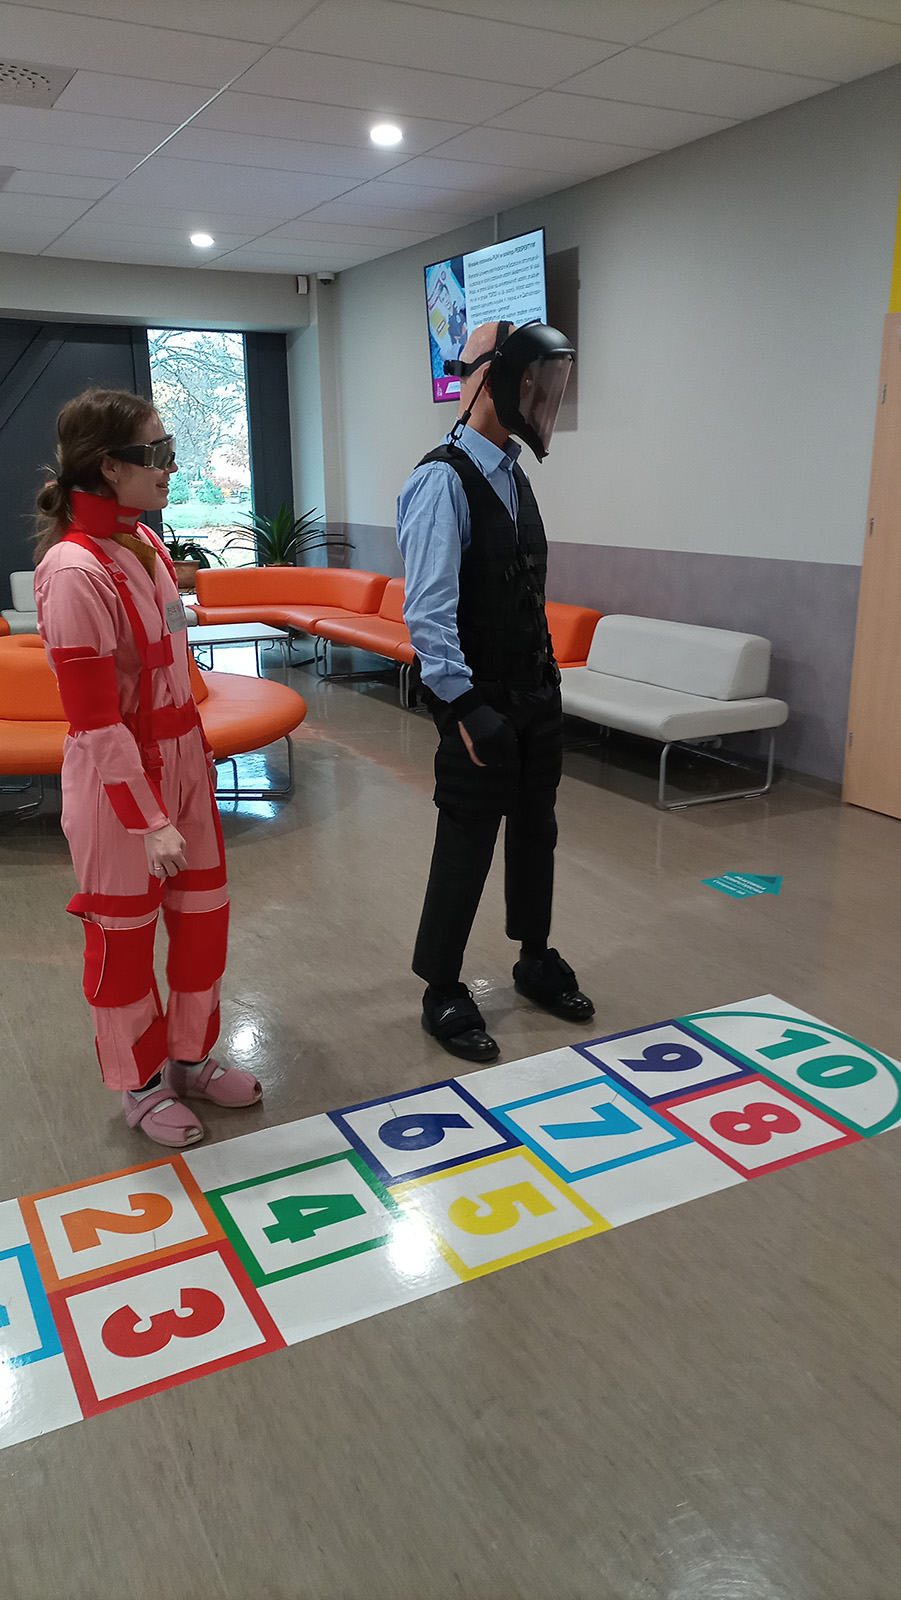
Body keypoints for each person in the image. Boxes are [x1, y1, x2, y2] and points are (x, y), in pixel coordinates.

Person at [34, 388, 261, 1147]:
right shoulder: (74, 571)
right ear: (109, 465)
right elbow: (95, 721)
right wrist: (150, 818)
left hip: (185, 765)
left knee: (203, 926)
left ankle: (190, 1060)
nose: (169, 467)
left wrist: (191, 776)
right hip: (119, 791)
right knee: (124, 941)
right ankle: (140, 1085)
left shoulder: (149, 546)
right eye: (155, 453)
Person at [397, 320, 595, 1064]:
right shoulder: (441, 481)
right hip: (477, 704)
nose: (538, 396)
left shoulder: (513, 475)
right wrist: (464, 706)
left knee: (536, 833)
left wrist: (542, 686)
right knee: (466, 842)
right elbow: (429, 613)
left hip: (536, 695)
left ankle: (534, 957)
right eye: (529, 380)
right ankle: (442, 988)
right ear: (487, 379)